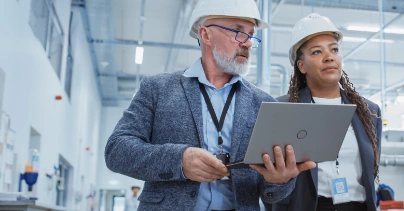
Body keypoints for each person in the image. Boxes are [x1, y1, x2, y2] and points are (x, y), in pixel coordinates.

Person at [104, 0, 315, 210]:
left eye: (251, 34)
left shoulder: (263, 103)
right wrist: (179, 160)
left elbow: (270, 195)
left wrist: (279, 180)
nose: (248, 42)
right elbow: (117, 150)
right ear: (206, 35)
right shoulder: (158, 88)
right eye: (238, 31)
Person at [264, 13, 382, 211]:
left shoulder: (369, 111)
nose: (329, 57)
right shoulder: (282, 110)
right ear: (301, 66)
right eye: (317, 52)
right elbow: (270, 179)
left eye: (334, 49)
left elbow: (372, 170)